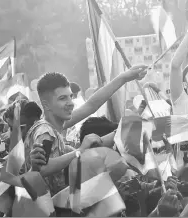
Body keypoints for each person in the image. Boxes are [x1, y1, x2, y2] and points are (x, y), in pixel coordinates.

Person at [25, 65, 147, 197]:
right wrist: (80, 151)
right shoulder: (45, 131)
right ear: (46, 104)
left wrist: (124, 77)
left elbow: (91, 105)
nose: (70, 103)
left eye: (70, 97)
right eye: (62, 98)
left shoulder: (54, 125)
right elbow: (43, 168)